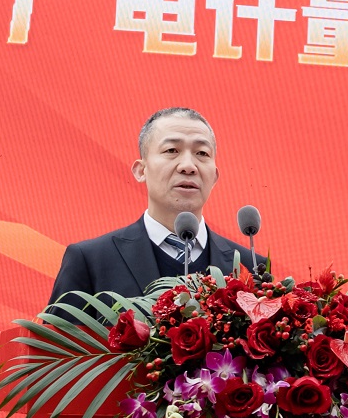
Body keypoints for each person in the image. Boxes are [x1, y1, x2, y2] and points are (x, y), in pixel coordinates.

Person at [48, 107, 266, 302]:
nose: (188, 166)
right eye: (171, 151)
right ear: (141, 170)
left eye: (202, 153)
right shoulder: (91, 260)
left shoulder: (252, 267)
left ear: (215, 176)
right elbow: (57, 336)